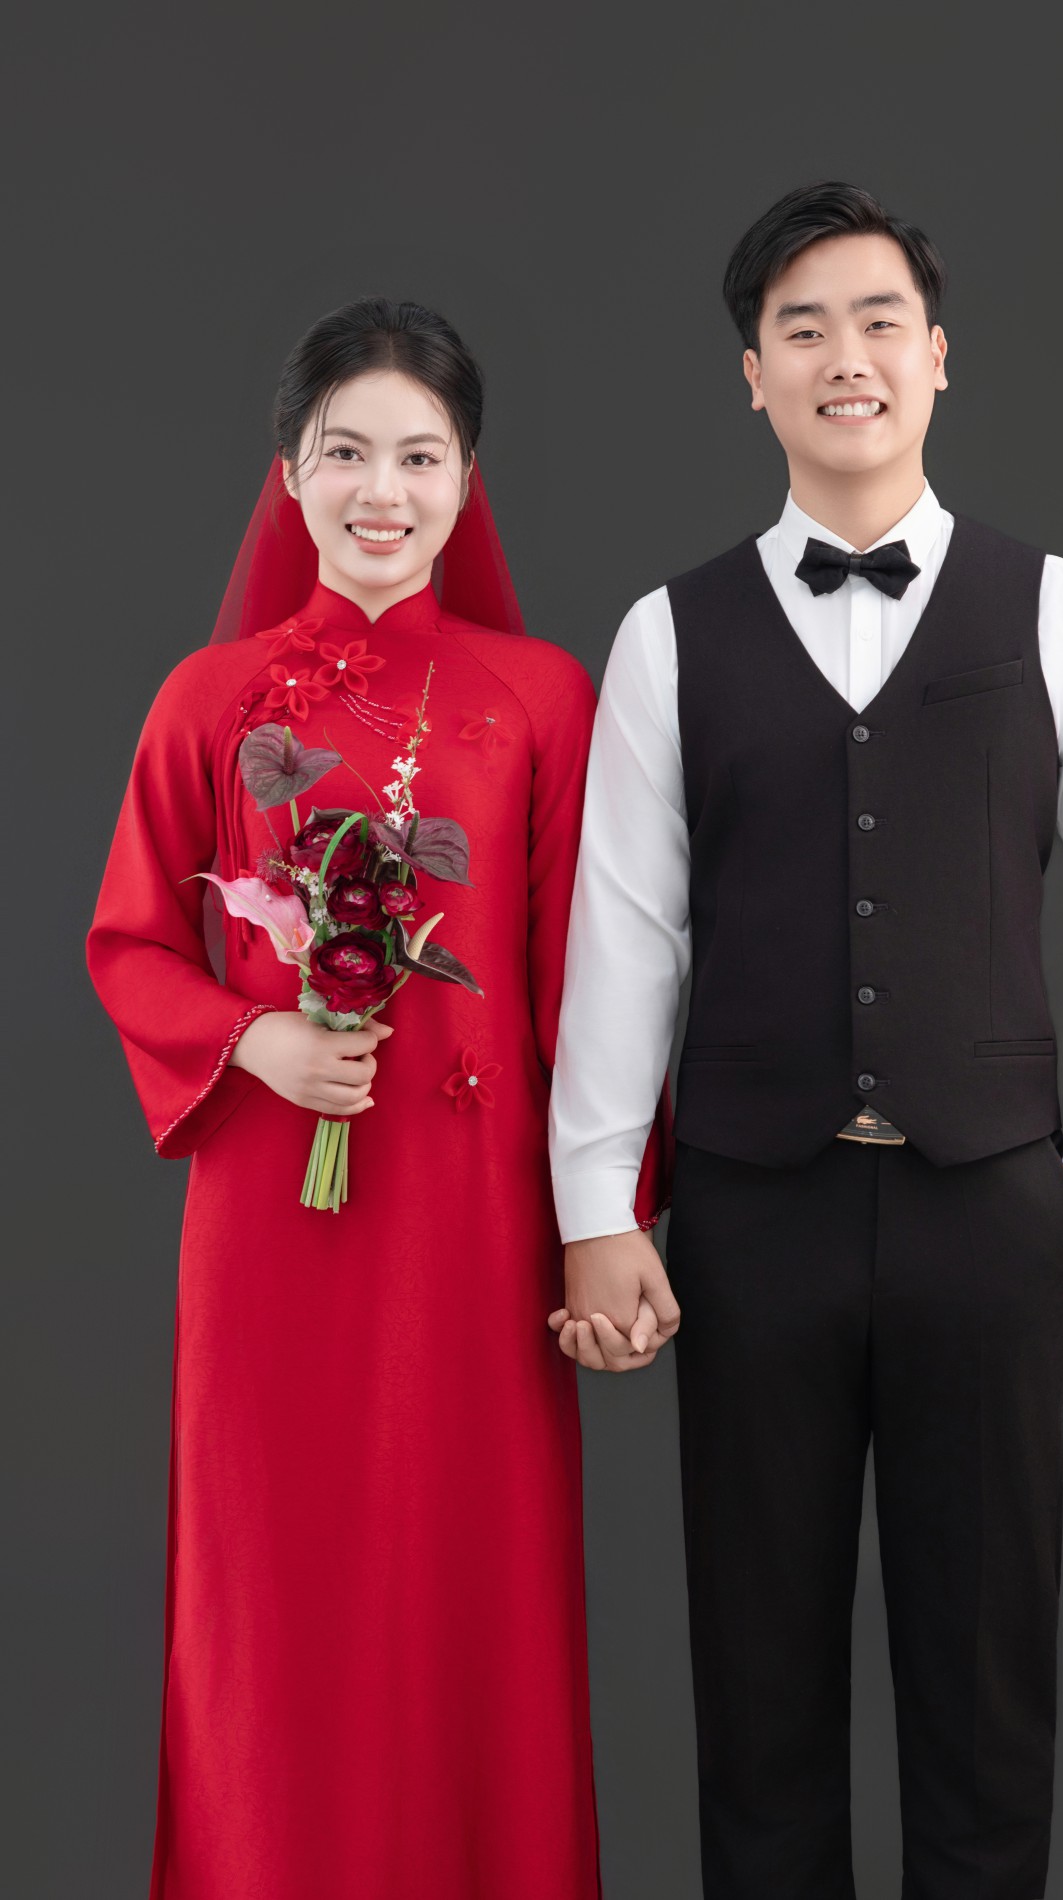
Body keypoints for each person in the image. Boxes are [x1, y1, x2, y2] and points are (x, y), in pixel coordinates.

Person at [547, 183, 1063, 1898]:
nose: (848, 356)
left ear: (939, 356)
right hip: (752, 1216)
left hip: (994, 1212)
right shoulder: (668, 634)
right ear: (752, 375)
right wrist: (598, 1205)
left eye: (880, 320)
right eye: (805, 328)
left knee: (986, 1695)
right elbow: (625, 935)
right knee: (758, 1696)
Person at [88, 296, 667, 1900]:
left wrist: (605, 1223)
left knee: (468, 1590)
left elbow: (594, 988)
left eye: (420, 456)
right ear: (289, 474)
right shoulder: (209, 700)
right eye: (345, 453)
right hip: (270, 1234)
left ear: (469, 483)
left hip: (473, 1232)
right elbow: (130, 939)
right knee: (272, 1604)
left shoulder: (541, 697)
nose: (381, 491)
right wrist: (252, 1038)